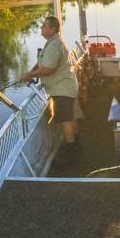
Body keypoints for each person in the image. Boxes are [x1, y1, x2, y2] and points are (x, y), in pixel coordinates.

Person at [22, 17, 79, 147]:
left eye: (44, 26)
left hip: (63, 89)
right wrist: (32, 71)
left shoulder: (55, 45)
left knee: (66, 120)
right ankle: (76, 143)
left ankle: (71, 151)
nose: (41, 28)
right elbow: (43, 62)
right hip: (65, 87)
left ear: (52, 29)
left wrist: (29, 75)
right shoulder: (52, 42)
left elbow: (48, 69)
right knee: (70, 117)